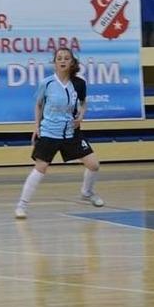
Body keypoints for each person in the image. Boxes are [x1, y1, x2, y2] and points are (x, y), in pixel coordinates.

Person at [14, 47, 104, 219]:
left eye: (67, 58)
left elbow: (83, 103)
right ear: (54, 62)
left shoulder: (79, 83)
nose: (63, 61)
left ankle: (86, 192)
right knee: (41, 167)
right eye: (59, 58)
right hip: (50, 131)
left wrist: (81, 116)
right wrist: (37, 127)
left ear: (72, 62)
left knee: (94, 164)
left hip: (71, 132)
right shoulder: (47, 83)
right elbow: (38, 105)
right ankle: (22, 205)